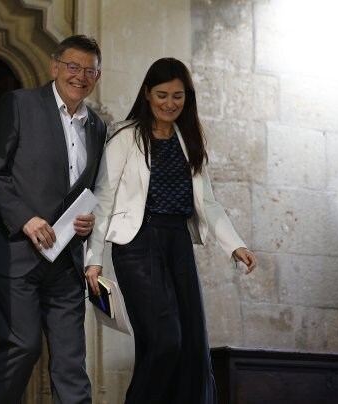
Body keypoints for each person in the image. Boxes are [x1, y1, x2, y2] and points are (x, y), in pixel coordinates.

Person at [85, 57, 257, 404]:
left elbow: (207, 202)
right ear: (147, 94)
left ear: (187, 98)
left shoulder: (189, 140)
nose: (169, 103)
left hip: (178, 241)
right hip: (136, 244)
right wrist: (94, 259)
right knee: (166, 340)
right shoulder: (125, 137)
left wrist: (235, 245)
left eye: (177, 96)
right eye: (162, 95)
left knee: (191, 345)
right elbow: (103, 199)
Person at [0, 35, 107, 404]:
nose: (80, 76)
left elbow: (91, 190)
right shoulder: (18, 105)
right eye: (73, 66)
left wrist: (88, 222)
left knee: (71, 361)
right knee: (22, 346)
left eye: (90, 70)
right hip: (18, 255)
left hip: (66, 263)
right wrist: (25, 219)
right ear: (55, 67)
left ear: (97, 77)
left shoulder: (97, 127)